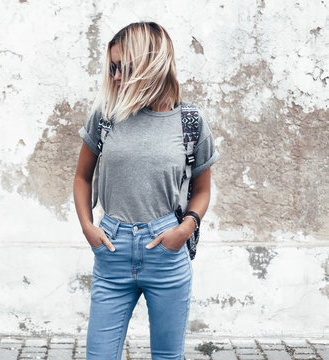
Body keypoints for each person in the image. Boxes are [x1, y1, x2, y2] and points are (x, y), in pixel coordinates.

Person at [72, 22, 219, 360]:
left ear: (152, 63)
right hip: (112, 248)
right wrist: (87, 227)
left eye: (124, 67)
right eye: (112, 68)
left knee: (168, 356)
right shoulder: (106, 115)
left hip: (166, 251)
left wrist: (185, 229)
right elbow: (82, 177)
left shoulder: (190, 122)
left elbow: (203, 189)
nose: (116, 77)